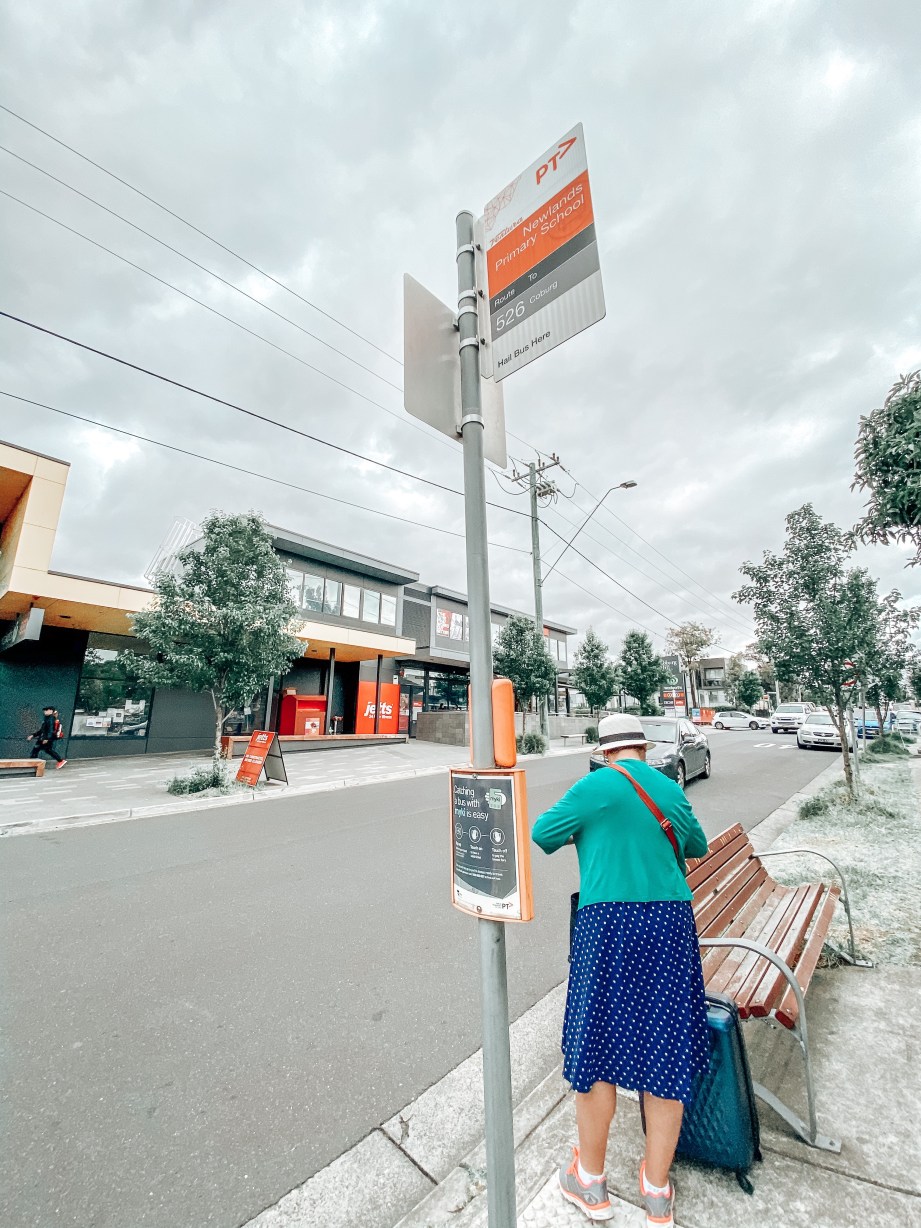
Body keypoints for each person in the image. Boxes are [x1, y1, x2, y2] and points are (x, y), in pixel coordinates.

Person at [531, 714, 710, 1226]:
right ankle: (657, 1191)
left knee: (596, 1047)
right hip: (669, 927)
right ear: (644, 748)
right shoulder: (667, 787)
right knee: (666, 1047)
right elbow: (696, 846)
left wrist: (590, 832)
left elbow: (544, 833)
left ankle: (590, 1181)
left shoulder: (594, 788)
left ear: (603, 752)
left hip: (608, 926)